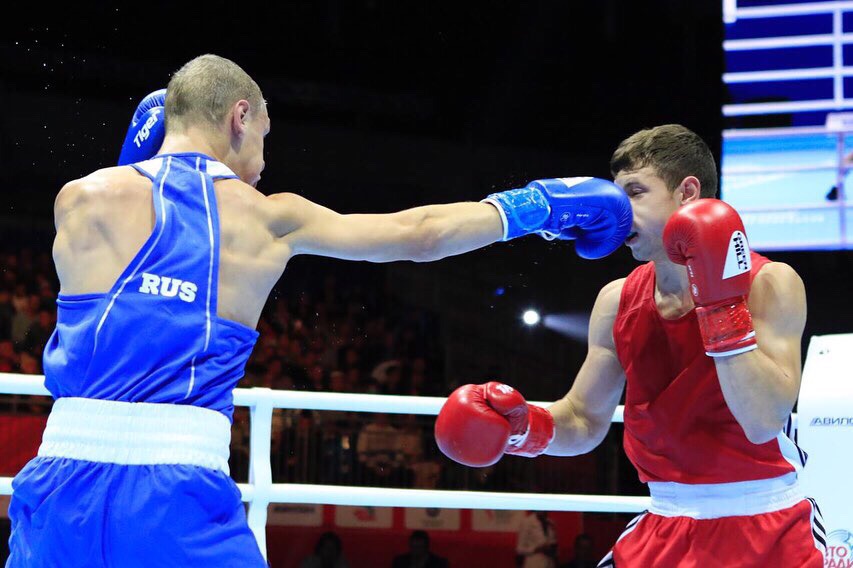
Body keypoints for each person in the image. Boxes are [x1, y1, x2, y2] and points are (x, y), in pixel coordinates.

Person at [5, 53, 631, 567]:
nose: (262, 164)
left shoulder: (78, 199)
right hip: (177, 492)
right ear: (239, 117)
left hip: (60, 484)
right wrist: (538, 206)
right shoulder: (269, 216)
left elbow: (141, 267)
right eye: (263, 140)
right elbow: (420, 235)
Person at [435, 124, 825, 567]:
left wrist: (720, 304)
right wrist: (523, 428)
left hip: (765, 521)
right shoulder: (617, 299)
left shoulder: (770, 284)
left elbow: (762, 422)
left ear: (688, 192)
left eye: (635, 193)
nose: (619, 214)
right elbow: (583, 419)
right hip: (664, 521)